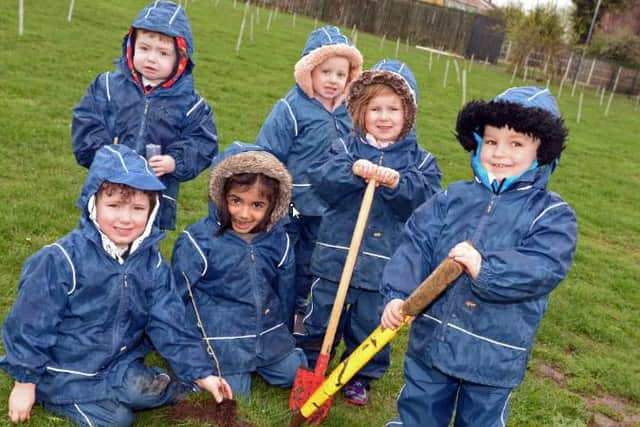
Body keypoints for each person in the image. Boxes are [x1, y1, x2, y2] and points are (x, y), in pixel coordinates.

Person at [381, 86, 578, 426]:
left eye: (516, 143)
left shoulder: (552, 215)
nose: (500, 153)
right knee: (419, 412)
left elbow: (544, 266)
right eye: (491, 141)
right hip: (433, 340)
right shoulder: (452, 198)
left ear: (541, 150)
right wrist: (398, 294)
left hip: (494, 353)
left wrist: (485, 268)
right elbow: (416, 243)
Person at [0, 145, 232, 426]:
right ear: (93, 204)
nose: (126, 218)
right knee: (119, 420)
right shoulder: (60, 260)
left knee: (144, 389)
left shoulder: (152, 263)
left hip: (118, 363)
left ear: (152, 210)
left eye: (137, 208)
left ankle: (160, 384)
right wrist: (25, 382)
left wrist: (202, 373)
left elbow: (169, 322)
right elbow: (30, 324)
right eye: (114, 206)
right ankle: (58, 396)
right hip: (66, 368)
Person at [299, 59, 442, 406]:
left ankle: (360, 375)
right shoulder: (345, 148)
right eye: (375, 108)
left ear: (408, 114)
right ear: (360, 112)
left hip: (384, 265)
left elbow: (427, 201)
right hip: (336, 255)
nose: (383, 116)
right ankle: (311, 362)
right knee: (322, 311)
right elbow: (323, 181)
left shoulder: (420, 162)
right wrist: (351, 171)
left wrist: (398, 183)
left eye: (393, 108)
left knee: (370, 322)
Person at [171, 142, 307, 395]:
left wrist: (285, 333)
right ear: (220, 195)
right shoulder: (197, 241)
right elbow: (175, 298)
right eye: (236, 201)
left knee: (292, 374)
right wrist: (185, 347)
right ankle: (206, 371)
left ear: (273, 206)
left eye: (257, 205)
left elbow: (286, 291)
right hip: (221, 335)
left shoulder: (279, 240)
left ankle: (273, 357)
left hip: (266, 332)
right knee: (235, 392)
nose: (244, 214)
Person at [71, 1, 217, 230]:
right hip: (107, 187)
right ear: (131, 46)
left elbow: (202, 142)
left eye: (163, 53)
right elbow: (87, 122)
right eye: (144, 48)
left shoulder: (191, 105)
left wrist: (174, 162)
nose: (151, 58)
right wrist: (104, 154)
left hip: (153, 195)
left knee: (143, 249)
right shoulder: (107, 86)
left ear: (180, 59)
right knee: (94, 241)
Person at [255, 26, 363, 323]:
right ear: (308, 71)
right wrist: (272, 195)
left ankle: (297, 311)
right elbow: (269, 153)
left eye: (340, 74)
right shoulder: (290, 109)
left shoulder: (351, 113)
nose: (333, 80)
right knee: (281, 257)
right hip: (291, 203)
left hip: (329, 207)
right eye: (325, 71)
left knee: (311, 263)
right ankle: (267, 311)